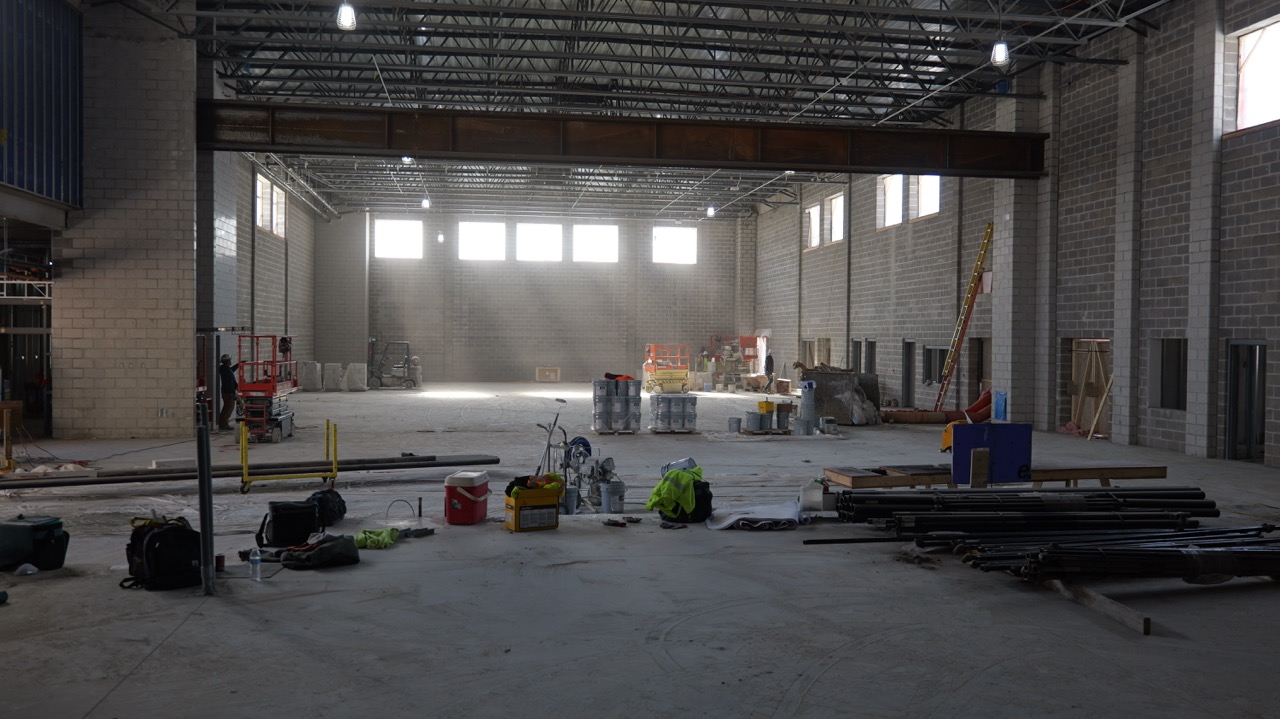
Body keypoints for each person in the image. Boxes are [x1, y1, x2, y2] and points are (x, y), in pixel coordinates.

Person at [217, 354, 239, 431]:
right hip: (228, 393)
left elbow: (231, 369)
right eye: (229, 360)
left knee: (226, 408)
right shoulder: (226, 371)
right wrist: (233, 393)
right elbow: (230, 383)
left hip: (227, 392)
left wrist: (238, 364)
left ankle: (222, 424)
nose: (230, 362)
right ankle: (224, 425)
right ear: (227, 362)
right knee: (228, 409)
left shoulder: (225, 369)